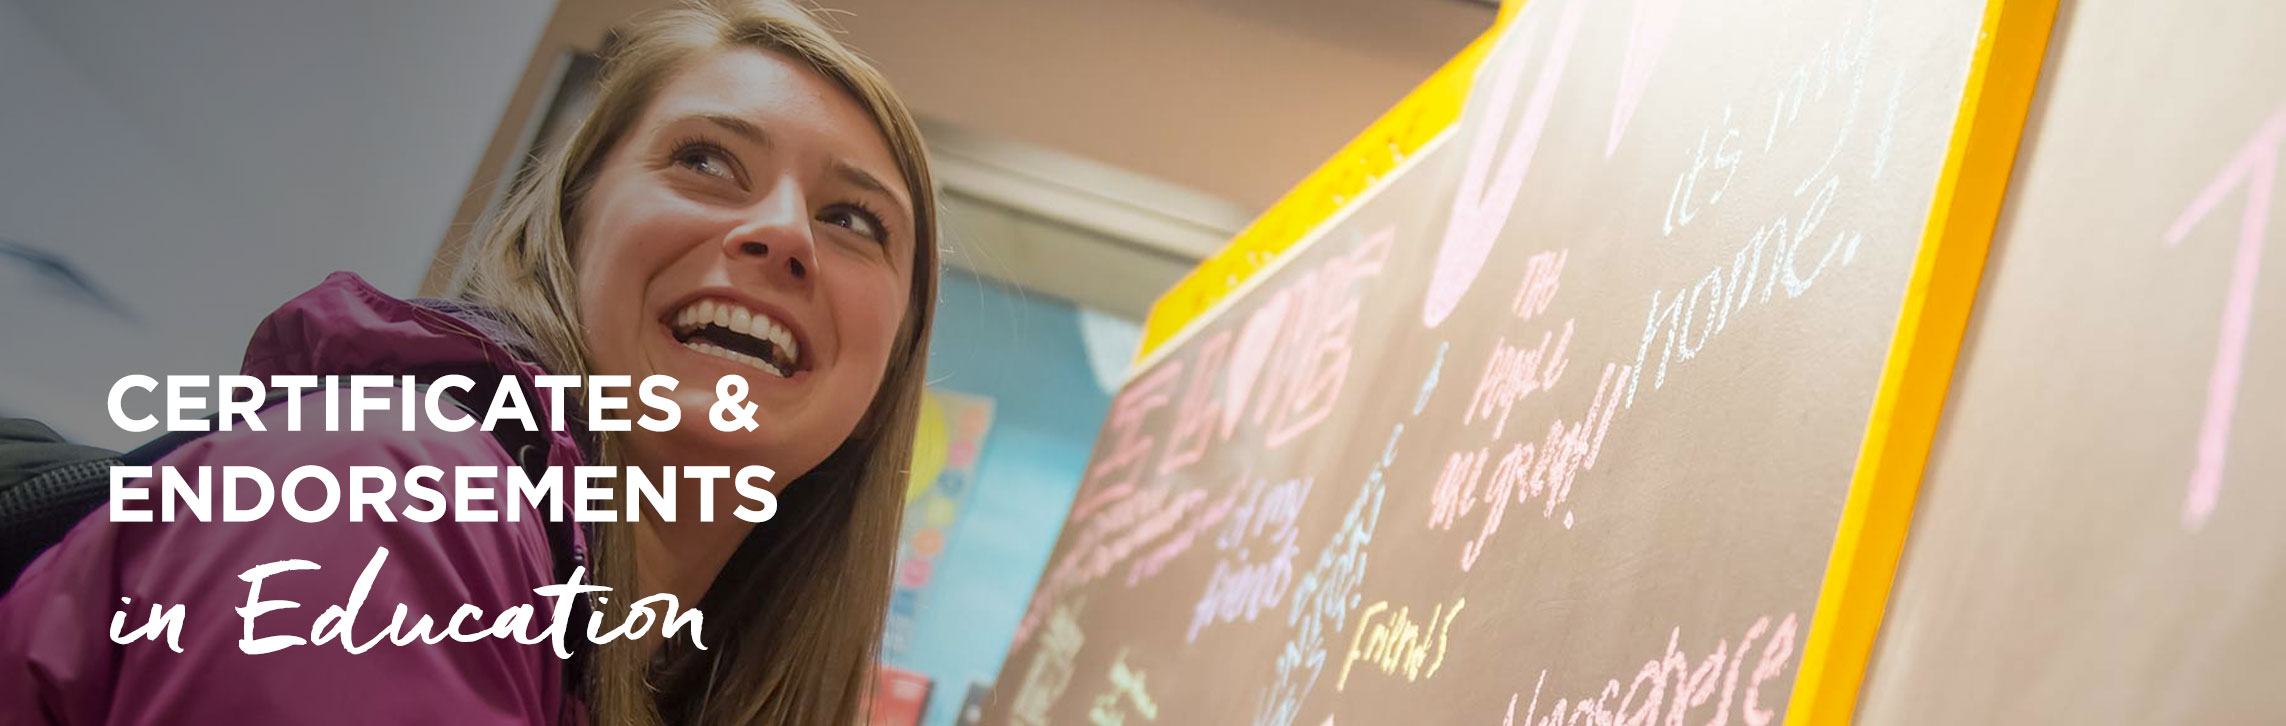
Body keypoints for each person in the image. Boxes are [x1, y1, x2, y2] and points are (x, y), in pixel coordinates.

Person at [0, 0, 938, 723]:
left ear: (886, 371)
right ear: (570, 233)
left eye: (853, 221)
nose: (781, 234)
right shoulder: (392, 494)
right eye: (706, 161)